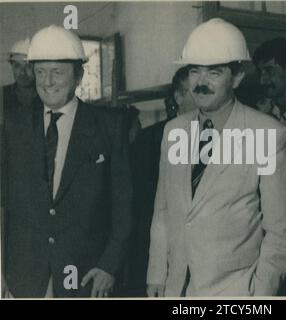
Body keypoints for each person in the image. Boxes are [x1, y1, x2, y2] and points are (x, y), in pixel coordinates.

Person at [146, 18, 286, 297]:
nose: (200, 84)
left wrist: (259, 295)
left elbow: (281, 234)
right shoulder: (174, 131)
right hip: (176, 289)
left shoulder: (268, 134)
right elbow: (163, 210)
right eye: (194, 72)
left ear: (237, 77)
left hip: (236, 292)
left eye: (214, 73)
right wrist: (157, 274)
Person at [2, 25, 132, 298]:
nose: (47, 82)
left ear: (79, 76)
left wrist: (109, 265)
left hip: (86, 276)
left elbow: (123, 207)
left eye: (57, 72)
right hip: (24, 278)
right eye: (40, 72)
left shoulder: (109, 127)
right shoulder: (14, 126)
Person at [124, 66, 196, 296]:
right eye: (197, 90)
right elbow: (141, 207)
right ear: (179, 96)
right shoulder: (150, 140)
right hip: (155, 255)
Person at [1, 38, 38, 113]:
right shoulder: (2, 94)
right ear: (12, 66)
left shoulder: (48, 97)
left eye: (28, 66)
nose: (22, 72)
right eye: (17, 66)